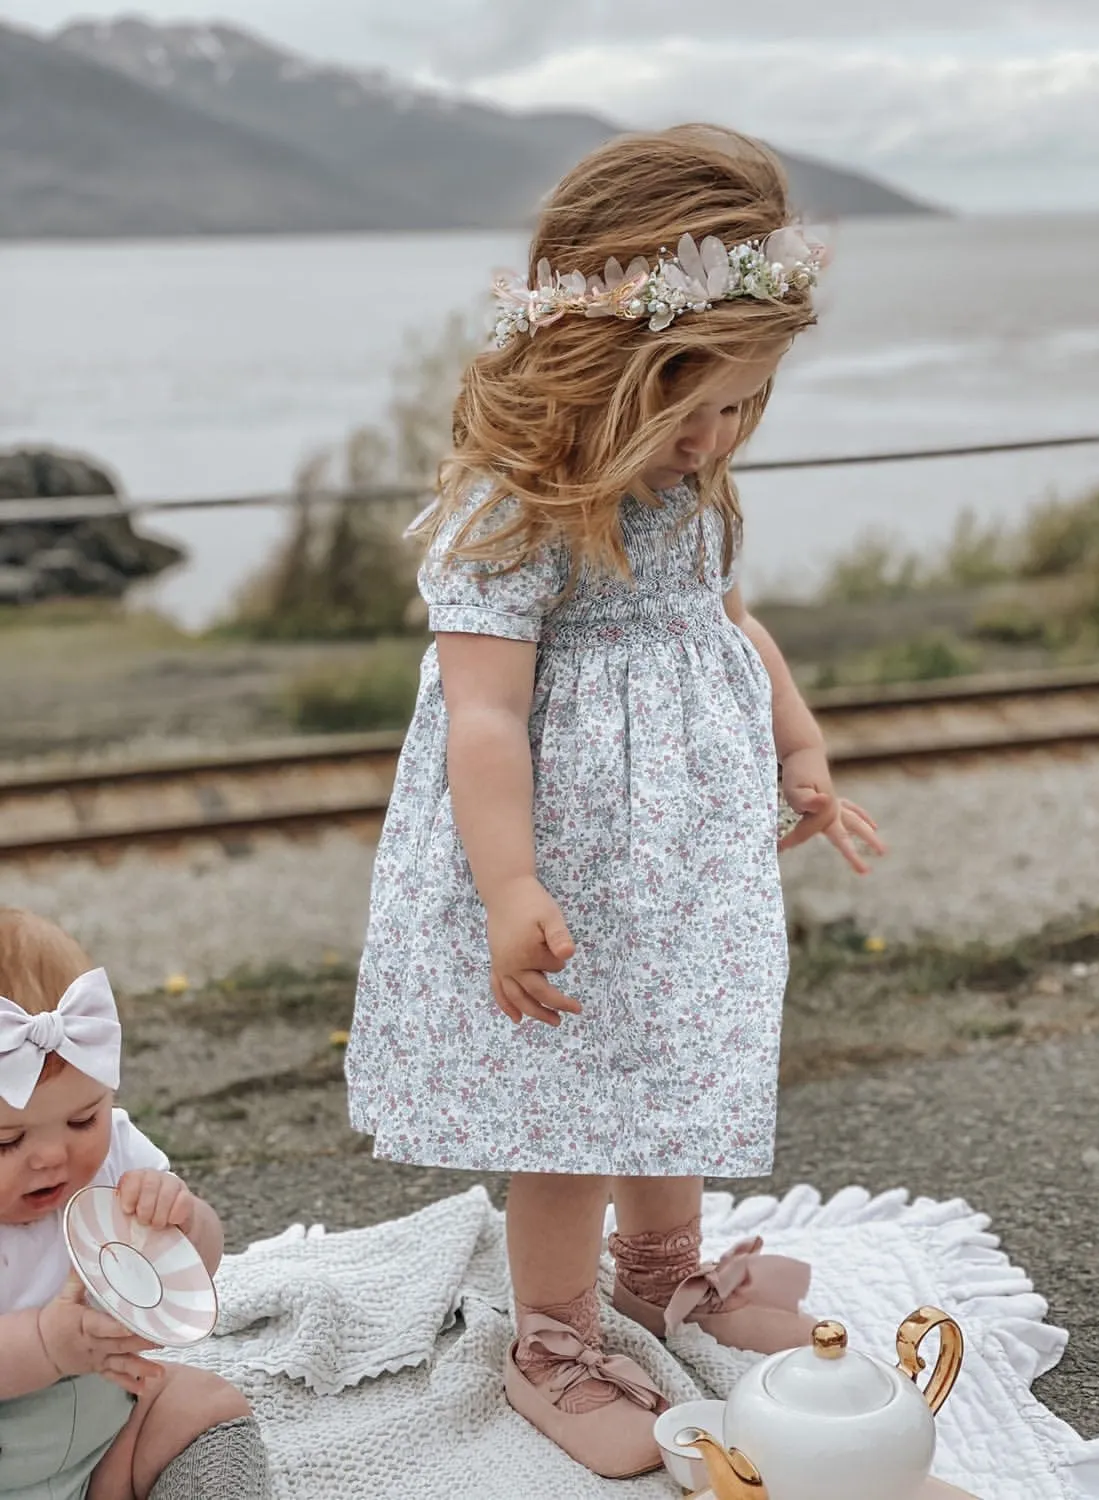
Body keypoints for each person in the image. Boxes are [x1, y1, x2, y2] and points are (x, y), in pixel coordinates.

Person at [346, 124, 886, 1478]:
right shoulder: (516, 505)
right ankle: (553, 1336)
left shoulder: (689, 478)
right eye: (692, 408)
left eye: (740, 408)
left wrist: (798, 745)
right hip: (566, 859)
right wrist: (514, 886)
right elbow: (481, 713)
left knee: (671, 1066)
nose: (714, 439)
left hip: (685, 859)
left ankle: (662, 1272)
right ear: (599, 366)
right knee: (574, 1109)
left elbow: (722, 622)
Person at [0, 907, 272, 1500]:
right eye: (7, 1141)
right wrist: (46, 1345)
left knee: (202, 1405)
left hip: (105, 1444)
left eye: (82, 1117)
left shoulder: (115, 1156)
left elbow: (193, 1271)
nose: (52, 1156)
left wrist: (183, 1220)